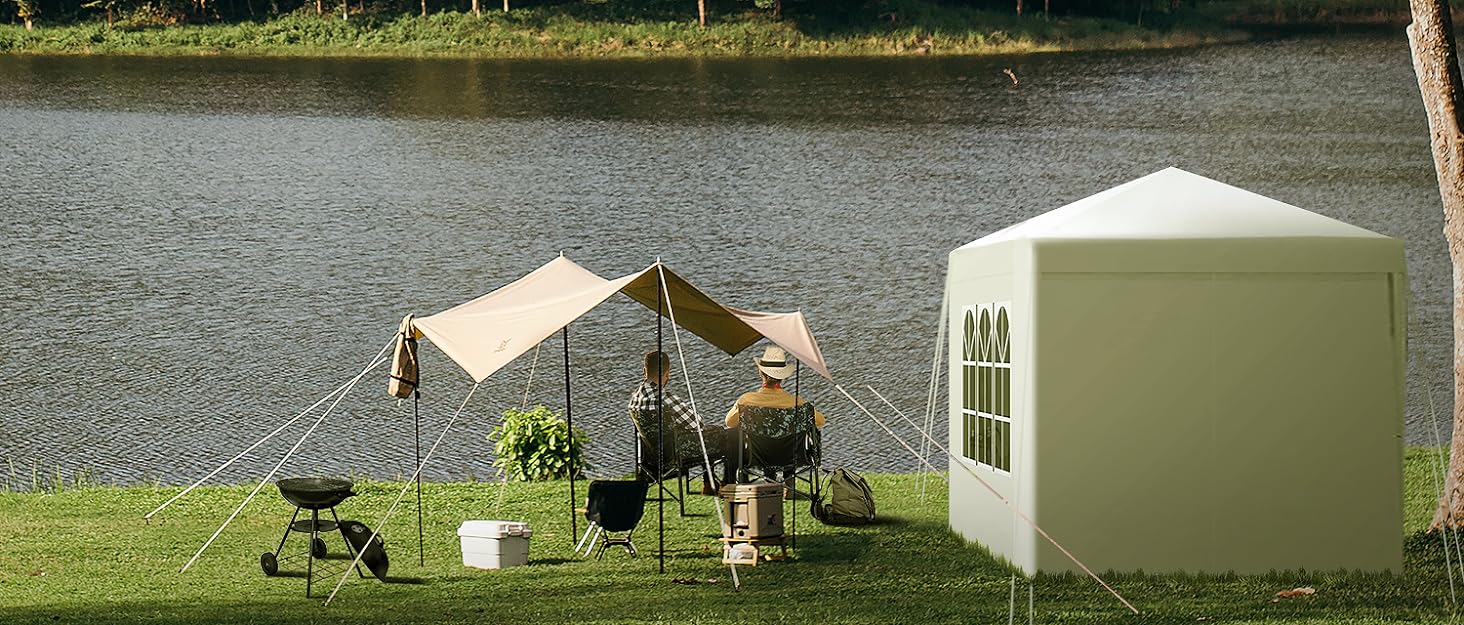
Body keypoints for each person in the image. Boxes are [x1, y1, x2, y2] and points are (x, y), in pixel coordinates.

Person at [627, 351, 736, 493]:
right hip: (673, 456)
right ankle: (726, 485)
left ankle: (709, 483)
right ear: (667, 373)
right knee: (725, 434)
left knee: (703, 433)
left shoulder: (634, 399)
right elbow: (697, 423)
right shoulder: (665, 398)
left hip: (650, 458)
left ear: (644, 371)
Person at [725, 346, 826, 483]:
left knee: (735, 433)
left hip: (756, 456)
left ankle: (736, 481)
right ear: (783, 377)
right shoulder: (799, 404)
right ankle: (789, 478)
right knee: (793, 433)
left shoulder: (746, 401)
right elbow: (821, 421)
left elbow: (729, 423)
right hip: (792, 456)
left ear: (761, 373)